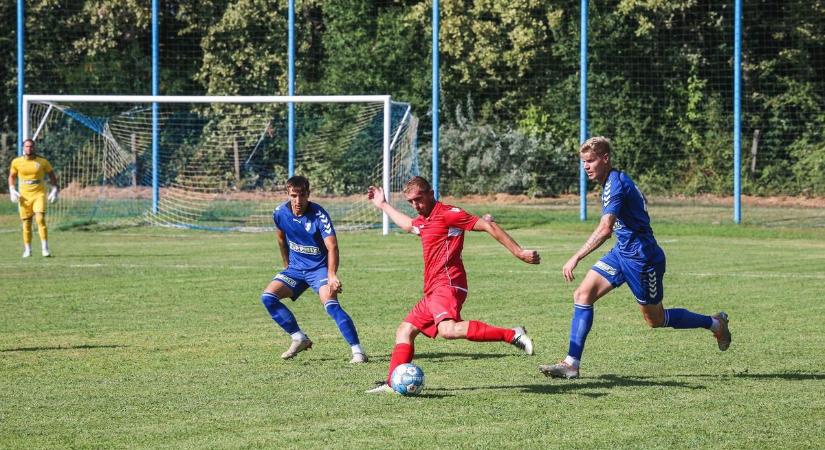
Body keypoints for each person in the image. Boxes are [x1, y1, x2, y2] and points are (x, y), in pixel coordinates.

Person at [539, 136, 731, 380]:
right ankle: (571, 364)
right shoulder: (613, 182)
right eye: (583, 162)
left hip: (642, 259)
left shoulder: (616, 185)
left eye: (590, 161)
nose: (586, 166)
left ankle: (714, 323)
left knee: (656, 320)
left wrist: (576, 256)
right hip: (623, 253)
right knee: (582, 294)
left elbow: (605, 228)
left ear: (605, 159)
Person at [365, 176, 541, 394]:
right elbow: (408, 225)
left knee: (447, 330)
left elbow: (487, 225)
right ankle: (392, 383)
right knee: (405, 330)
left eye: (418, 199)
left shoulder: (448, 214)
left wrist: (519, 252)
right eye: (411, 202)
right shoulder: (424, 220)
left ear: (431, 194)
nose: (415, 205)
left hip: (448, 284)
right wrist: (382, 204)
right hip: (433, 290)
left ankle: (512, 334)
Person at [260, 175, 367, 363]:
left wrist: (332, 275)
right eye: (293, 195)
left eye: (302, 195)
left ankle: (358, 352)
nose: (298, 200)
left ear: (308, 194)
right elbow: (280, 239)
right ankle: (298, 337)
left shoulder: (319, 215)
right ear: (288, 194)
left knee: (332, 306)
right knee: (268, 297)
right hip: (296, 269)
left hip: (319, 270)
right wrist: (287, 265)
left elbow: (332, 246)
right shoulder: (279, 213)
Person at [8, 139, 59, 257]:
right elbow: (11, 176)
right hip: (24, 197)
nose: (29, 149)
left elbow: (52, 175)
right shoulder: (16, 162)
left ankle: (45, 249)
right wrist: (11, 189)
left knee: (40, 218)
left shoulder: (43, 161)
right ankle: (27, 250)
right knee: (26, 223)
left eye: (31, 146)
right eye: (26, 146)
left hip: (39, 194)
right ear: (23, 148)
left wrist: (55, 189)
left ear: (34, 148)